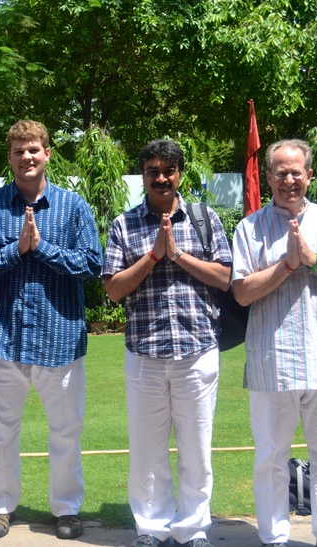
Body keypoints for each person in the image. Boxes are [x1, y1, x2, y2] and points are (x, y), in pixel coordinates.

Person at [231, 139, 317, 547]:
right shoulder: (250, 227)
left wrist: (316, 260)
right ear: (269, 178)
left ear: (309, 176)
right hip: (272, 362)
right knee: (271, 459)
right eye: (280, 172)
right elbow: (242, 292)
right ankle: (274, 538)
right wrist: (287, 264)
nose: (288, 180)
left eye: (296, 172)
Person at [0, 119, 102, 540]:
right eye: (18, 150)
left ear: (47, 153)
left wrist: (41, 248)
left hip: (59, 337)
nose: (27, 156)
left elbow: (92, 265)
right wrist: (15, 249)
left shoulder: (73, 206)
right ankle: (0, 509)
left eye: (34, 149)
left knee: (65, 429)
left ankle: (66, 509)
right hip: (4, 337)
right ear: (9, 158)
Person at [102, 139, 232, 547]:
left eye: (169, 170)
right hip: (145, 354)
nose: (161, 178)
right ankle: (152, 528)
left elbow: (226, 278)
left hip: (197, 351)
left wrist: (176, 255)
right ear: (143, 175)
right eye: (153, 171)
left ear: (180, 174)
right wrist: (155, 256)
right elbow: (113, 290)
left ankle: (193, 529)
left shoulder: (205, 218)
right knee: (147, 449)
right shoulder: (123, 225)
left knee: (196, 447)